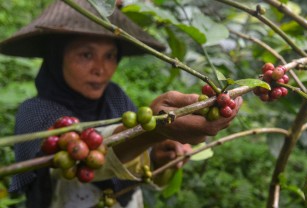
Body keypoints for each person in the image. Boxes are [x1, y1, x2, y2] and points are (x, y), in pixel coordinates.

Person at [0, 0, 243, 208]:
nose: (100, 68)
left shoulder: (115, 96)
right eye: (86, 54)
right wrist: (152, 131)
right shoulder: (35, 112)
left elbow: (138, 164)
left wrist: (158, 155)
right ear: (56, 57)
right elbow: (65, 167)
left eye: (110, 56)